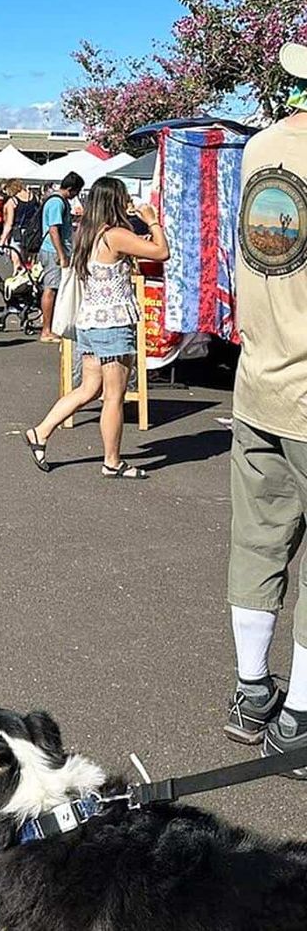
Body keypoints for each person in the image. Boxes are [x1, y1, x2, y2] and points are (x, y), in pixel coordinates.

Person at [224, 39, 307, 773]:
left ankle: (252, 693)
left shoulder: (258, 150)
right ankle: (301, 719)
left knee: (258, 540)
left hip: (258, 380)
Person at [23, 177, 168, 479]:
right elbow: (160, 252)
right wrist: (153, 222)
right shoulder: (115, 234)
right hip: (113, 323)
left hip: (89, 321)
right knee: (113, 396)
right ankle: (112, 461)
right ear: (114, 200)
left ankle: (41, 431)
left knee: (89, 388)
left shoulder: (87, 234)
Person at [37, 172, 86, 343]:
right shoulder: (57, 202)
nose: (76, 196)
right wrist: (61, 254)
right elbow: (53, 229)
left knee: (55, 288)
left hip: (54, 249)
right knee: (51, 288)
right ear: (71, 189)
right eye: (76, 192)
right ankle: (46, 330)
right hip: (52, 250)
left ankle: (50, 326)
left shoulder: (58, 201)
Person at [0, 179, 36, 264]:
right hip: (32, 233)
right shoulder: (34, 197)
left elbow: (9, 224)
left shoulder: (12, 201)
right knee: (29, 263)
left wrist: (2, 241)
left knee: (17, 264)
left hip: (18, 233)